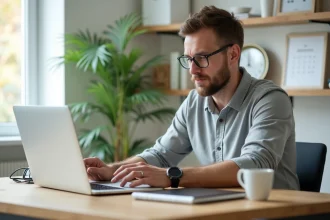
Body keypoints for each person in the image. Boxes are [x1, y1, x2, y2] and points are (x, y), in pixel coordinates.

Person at [84, 6, 300, 190]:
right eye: (188, 59)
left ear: (233, 54)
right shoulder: (194, 102)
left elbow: (255, 164)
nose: (193, 70)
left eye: (202, 58)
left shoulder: (270, 99)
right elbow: (161, 154)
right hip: (223, 210)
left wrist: (172, 176)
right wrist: (113, 171)